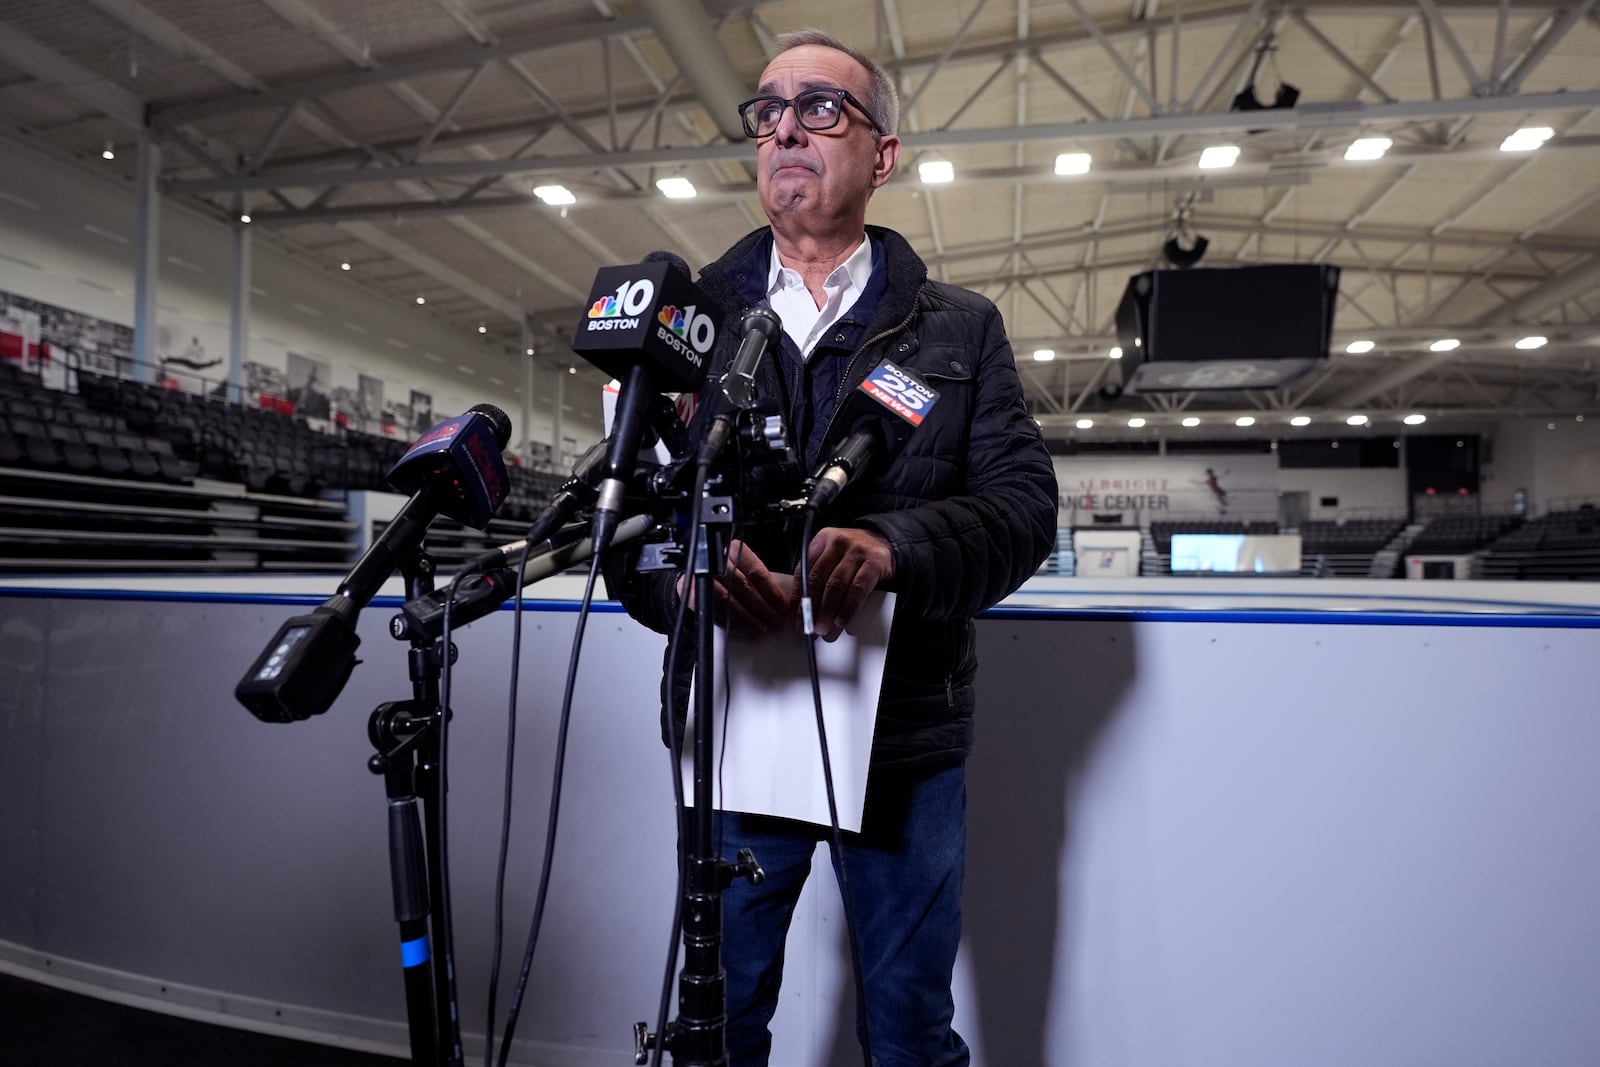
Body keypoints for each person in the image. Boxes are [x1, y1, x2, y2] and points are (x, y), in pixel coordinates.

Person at [608, 28, 1057, 1067]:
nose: (784, 129)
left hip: (905, 740)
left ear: (882, 155)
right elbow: (623, 521)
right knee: (717, 1015)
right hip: (734, 729)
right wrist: (684, 576)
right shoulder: (685, 324)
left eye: (820, 108)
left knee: (907, 1024)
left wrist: (891, 547)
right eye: (766, 110)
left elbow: (1023, 507)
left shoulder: (959, 331)